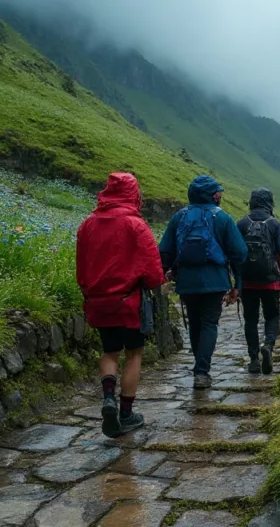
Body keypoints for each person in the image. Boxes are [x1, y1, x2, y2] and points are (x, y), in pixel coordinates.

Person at [76, 173, 164, 438]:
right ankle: (126, 413)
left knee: (109, 351)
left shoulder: (88, 225)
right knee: (134, 353)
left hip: (99, 302)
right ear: (133, 194)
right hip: (129, 302)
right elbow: (153, 271)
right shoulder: (136, 225)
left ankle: (107, 399)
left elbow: (81, 267)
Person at [159, 175, 247, 389]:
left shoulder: (179, 217)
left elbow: (164, 250)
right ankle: (201, 371)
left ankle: (199, 365)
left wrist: (165, 273)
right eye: (217, 193)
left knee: (194, 321)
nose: (219, 196)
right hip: (214, 280)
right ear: (211, 195)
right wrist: (237, 284)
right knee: (209, 323)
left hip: (186, 280)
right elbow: (240, 252)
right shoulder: (223, 218)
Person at [237, 188, 280, 374]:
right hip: (270, 281)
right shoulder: (274, 224)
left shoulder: (242, 223)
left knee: (250, 319)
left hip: (248, 281)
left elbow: (235, 253)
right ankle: (268, 345)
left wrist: (237, 281)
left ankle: (253, 359)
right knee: (272, 316)